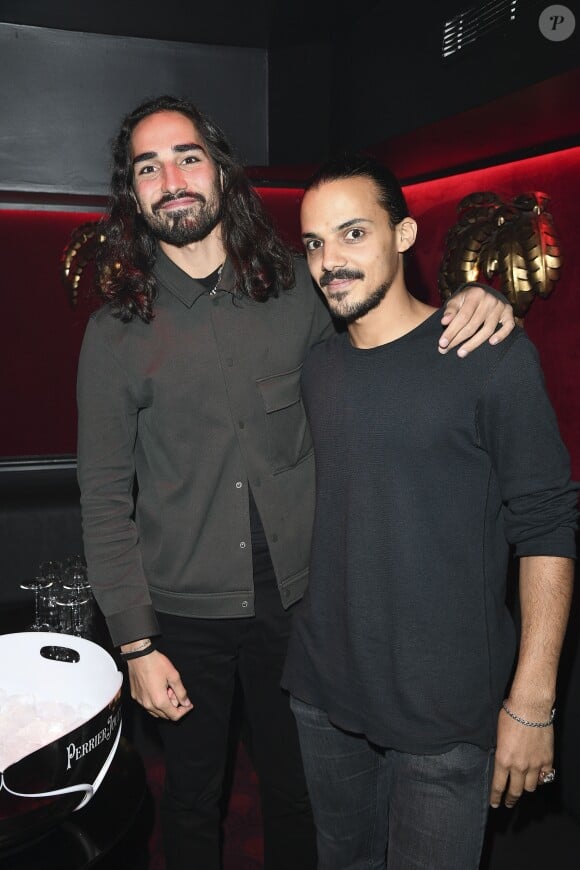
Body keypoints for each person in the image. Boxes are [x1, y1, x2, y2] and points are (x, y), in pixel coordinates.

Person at [75, 95, 515, 870]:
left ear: (220, 171)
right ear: (133, 193)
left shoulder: (299, 292)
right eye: (149, 166)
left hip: (306, 603)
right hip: (181, 618)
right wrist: (136, 643)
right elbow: (105, 498)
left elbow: (388, 329)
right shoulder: (113, 334)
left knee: (299, 796)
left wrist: (476, 300)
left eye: (187, 157)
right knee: (189, 801)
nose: (171, 178)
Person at [281, 151, 579, 870]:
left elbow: (546, 525)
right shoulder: (317, 365)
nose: (331, 261)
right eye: (316, 243)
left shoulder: (488, 354)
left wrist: (532, 702)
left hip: (445, 715)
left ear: (405, 236)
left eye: (354, 234)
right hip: (324, 694)